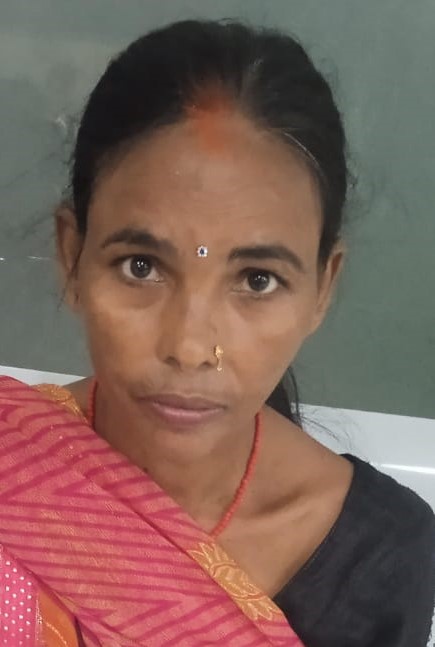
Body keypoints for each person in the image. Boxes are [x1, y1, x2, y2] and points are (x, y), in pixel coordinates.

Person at [0, 18, 433, 647]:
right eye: (140, 267)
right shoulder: (10, 467)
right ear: (72, 256)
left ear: (323, 286)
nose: (191, 347)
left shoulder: (380, 556)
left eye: (257, 280)